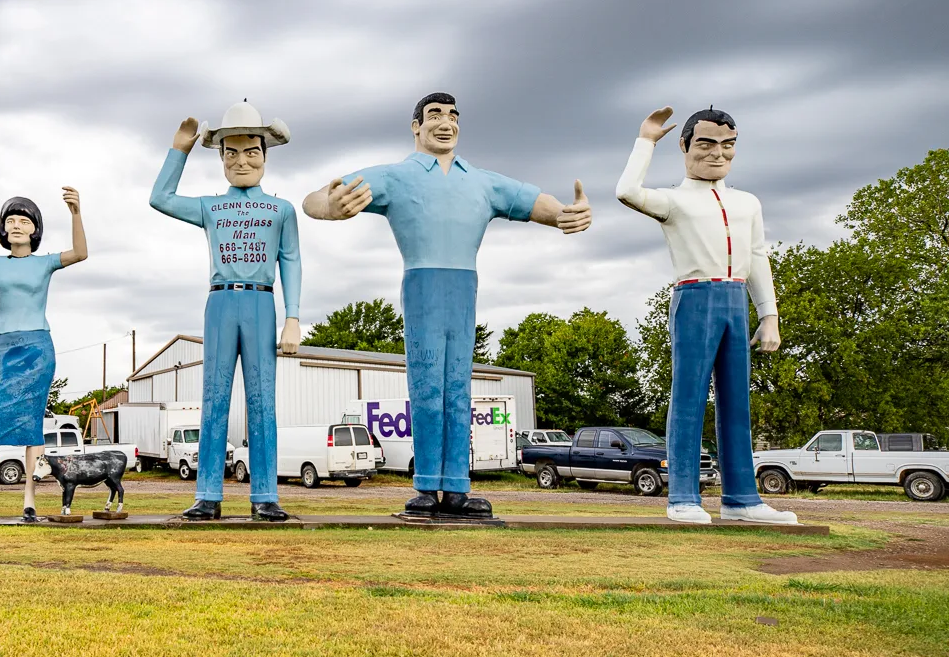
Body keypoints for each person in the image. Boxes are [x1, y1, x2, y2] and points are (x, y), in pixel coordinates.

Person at [303, 92, 591, 518]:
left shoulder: (480, 180)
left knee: (458, 388)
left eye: (453, 116)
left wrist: (565, 213)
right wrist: (330, 206)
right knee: (425, 388)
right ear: (416, 126)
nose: (446, 122)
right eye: (434, 114)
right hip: (421, 284)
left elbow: (531, 202)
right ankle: (426, 488)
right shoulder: (396, 176)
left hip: (464, 287)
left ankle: (456, 487)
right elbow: (316, 199)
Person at [616, 106, 798, 525]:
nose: (718, 154)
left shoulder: (747, 202)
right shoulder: (675, 200)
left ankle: (741, 498)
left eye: (728, 146)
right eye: (706, 144)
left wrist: (769, 314)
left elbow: (757, 255)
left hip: (736, 298)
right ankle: (682, 495)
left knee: (737, 402)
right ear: (685, 146)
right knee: (689, 398)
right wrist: (645, 140)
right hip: (694, 297)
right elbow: (627, 191)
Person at [149, 101, 301, 521]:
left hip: (261, 300)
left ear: (265, 155)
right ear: (220, 158)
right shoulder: (211, 207)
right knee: (213, 399)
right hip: (220, 302)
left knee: (262, 402)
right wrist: (179, 149)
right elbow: (159, 198)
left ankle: (266, 495)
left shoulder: (281, 209)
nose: (241, 161)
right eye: (230, 153)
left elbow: (291, 262)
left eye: (251, 151)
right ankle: (207, 494)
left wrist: (293, 317)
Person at [0, 189, 88, 522]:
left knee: (31, 424)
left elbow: (81, 253)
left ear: (35, 229)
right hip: (5, 348)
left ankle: (29, 501)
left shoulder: (45, 262)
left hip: (37, 349)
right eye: (11, 220)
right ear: (3, 230)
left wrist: (75, 213)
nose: (17, 225)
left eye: (24, 220)